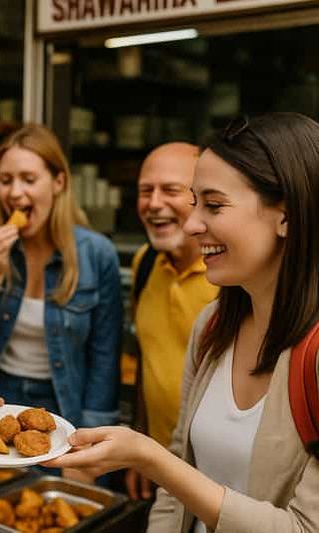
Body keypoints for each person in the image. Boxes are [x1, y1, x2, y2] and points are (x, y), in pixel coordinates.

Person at [47, 113, 319, 532]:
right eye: (194, 203)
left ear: (287, 215)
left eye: (214, 205)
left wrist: (148, 457)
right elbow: (176, 485)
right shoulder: (212, 325)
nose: (192, 225)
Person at [0, 123, 123, 440]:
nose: (15, 192)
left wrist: (93, 434)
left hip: (66, 405)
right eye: (5, 181)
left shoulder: (97, 254)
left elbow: (105, 358)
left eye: (29, 179)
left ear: (58, 182)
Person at [126, 143, 218, 500]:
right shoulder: (145, 263)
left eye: (170, 190)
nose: (154, 203)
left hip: (216, 478)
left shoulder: (231, 280)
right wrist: (141, 444)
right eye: (145, 191)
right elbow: (146, 360)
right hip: (160, 465)